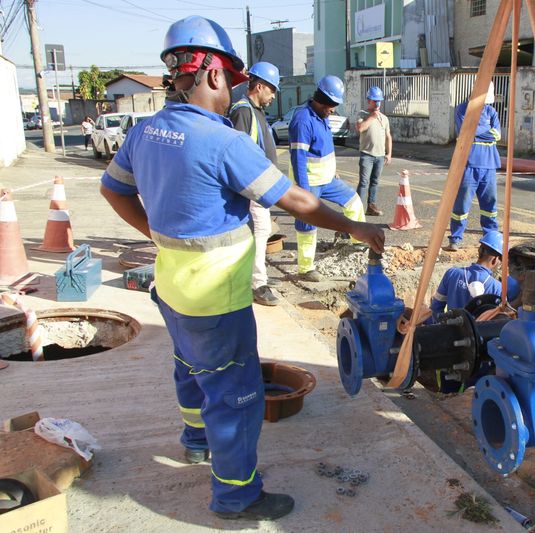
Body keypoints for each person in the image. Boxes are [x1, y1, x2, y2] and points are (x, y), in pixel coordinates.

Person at [99, 16, 384, 521]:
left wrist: (157, 235)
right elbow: (296, 199)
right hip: (216, 297)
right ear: (212, 75)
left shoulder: (145, 132)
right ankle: (236, 494)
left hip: (172, 288)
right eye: (232, 79)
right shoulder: (223, 141)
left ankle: (194, 441)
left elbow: (113, 190)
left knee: (189, 365)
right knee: (236, 396)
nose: (235, 89)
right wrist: (356, 227)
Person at [289, 75, 366, 282]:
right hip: (309, 182)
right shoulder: (303, 120)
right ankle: (305, 268)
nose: (333, 109)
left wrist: (332, 170)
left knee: (354, 201)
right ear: (321, 99)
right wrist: (303, 190)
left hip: (328, 180)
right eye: (332, 104)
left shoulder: (322, 117)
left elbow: (324, 149)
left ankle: (356, 241)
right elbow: (298, 157)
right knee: (307, 224)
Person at [229, 61, 282, 306]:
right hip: (252, 187)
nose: (273, 96)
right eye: (271, 90)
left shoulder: (256, 111)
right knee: (260, 231)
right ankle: (257, 284)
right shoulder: (243, 111)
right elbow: (239, 154)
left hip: (261, 186)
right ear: (259, 86)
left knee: (261, 232)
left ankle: (254, 278)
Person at [446, 81, 501, 251]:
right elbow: (465, 132)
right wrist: (478, 132)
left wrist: (475, 133)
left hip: (489, 165)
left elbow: (497, 134)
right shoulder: (463, 109)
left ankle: (491, 237)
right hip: (469, 164)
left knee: (489, 206)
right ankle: (455, 238)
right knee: (462, 205)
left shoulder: (491, 112)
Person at [430, 230, 518, 319]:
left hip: (450, 331)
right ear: (495, 260)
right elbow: (499, 319)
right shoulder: (497, 288)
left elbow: (435, 309)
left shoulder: (452, 273)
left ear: (479, 250)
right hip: (478, 332)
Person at [355, 86, 392, 216]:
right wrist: (372, 117)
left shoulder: (384, 118)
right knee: (364, 182)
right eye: (374, 100)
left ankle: (371, 206)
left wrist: (389, 153)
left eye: (379, 101)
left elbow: (388, 136)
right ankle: (358, 208)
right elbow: (360, 128)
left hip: (380, 155)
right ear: (369, 100)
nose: (377, 103)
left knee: (375, 181)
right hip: (367, 154)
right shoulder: (362, 114)